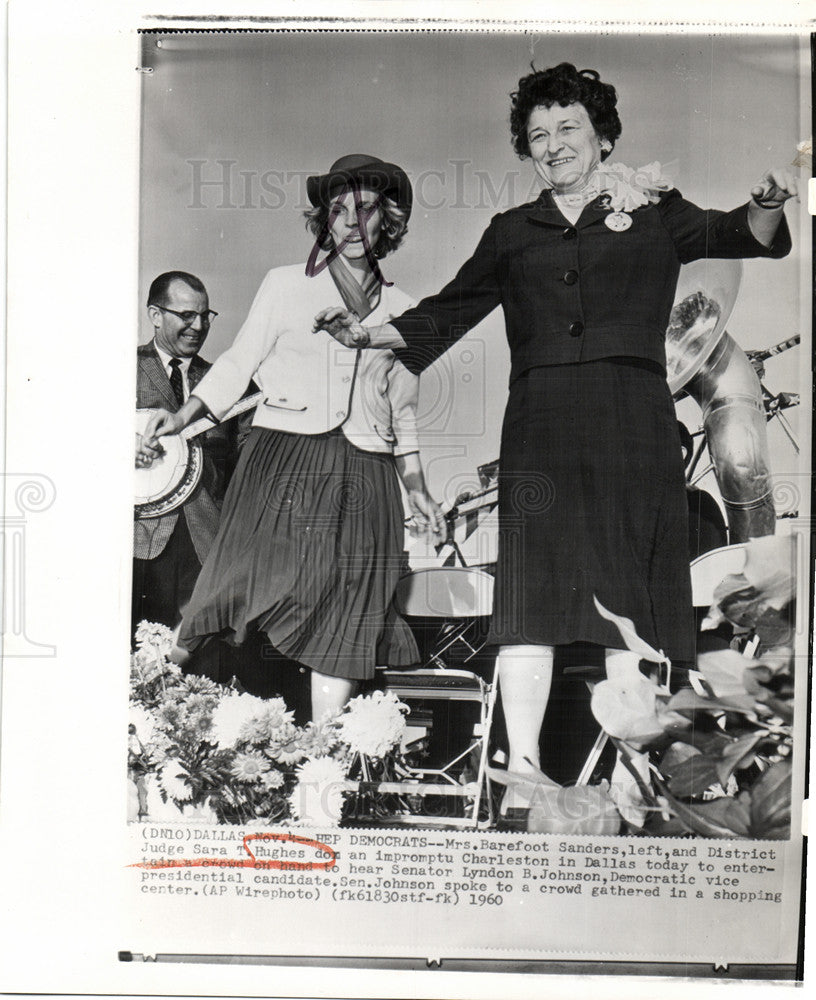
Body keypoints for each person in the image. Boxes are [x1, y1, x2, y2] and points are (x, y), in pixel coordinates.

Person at [314, 64, 795, 820]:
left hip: (634, 424)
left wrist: (766, 203)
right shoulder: (512, 232)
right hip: (540, 427)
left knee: (630, 599)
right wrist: (372, 334)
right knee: (530, 604)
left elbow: (741, 233)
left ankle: (642, 775)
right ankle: (525, 774)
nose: (553, 145)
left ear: (602, 136)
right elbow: (452, 308)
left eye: (568, 128)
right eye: (538, 136)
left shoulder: (655, 208)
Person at [140, 155, 444, 720]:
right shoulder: (284, 285)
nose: (352, 222)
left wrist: (420, 491)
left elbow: (404, 412)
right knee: (227, 588)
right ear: (324, 222)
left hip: (367, 471)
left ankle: (321, 766)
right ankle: (135, 711)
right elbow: (237, 363)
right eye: (337, 210)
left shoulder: (406, 312)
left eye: (367, 208)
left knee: (349, 611)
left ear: (389, 220)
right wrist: (182, 418)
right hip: (283, 456)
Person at [133, 271, 242, 639]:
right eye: (187, 316)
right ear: (156, 315)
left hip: (207, 547)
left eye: (205, 316)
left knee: (203, 668)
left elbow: (250, 458)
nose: (198, 326)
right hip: (137, 545)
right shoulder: (117, 369)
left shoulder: (225, 384)